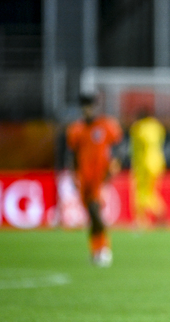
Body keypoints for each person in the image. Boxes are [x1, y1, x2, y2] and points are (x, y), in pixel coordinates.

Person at [66, 95, 123, 266]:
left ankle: (104, 250)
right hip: (84, 178)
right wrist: (73, 174)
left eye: (90, 106)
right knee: (91, 215)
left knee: (94, 209)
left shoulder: (106, 125)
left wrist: (114, 165)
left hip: (100, 176)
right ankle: (96, 250)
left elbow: (119, 146)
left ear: (96, 108)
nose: (87, 110)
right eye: (84, 106)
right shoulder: (76, 129)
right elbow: (73, 154)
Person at [129, 110, 167, 228]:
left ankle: (143, 219)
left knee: (140, 192)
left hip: (144, 164)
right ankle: (157, 212)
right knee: (151, 192)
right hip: (158, 163)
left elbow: (140, 145)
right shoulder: (157, 126)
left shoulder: (138, 128)